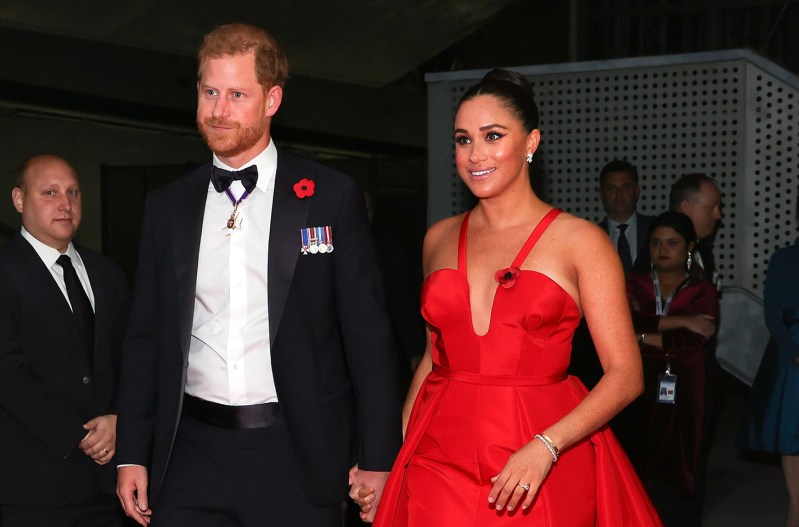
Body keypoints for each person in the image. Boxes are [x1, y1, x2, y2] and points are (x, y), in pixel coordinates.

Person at [115, 23, 402, 527]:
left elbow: (368, 336)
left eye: (237, 95)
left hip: (297, 453)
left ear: (272, 100)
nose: (218, 110)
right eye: (210, 92)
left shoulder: (330, 197)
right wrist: (131, 452)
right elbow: (145, 337)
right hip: (189, 456)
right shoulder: (167, 206)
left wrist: (379, 456)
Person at [359, 68, 661, 526]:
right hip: (438, 454)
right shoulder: (438, 238)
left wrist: (547, 446)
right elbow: (432, 360)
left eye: (493, 136)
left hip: (538, 459)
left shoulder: (580, 241)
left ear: (531, 142)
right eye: (463, 140)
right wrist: (391, 458)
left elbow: (626, 375)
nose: (475, 154)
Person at [0, 154, 130, 526]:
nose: (65, 204)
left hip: (110, 486)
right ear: (19, 200)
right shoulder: (5, 272)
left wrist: (119, 417)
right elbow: (7, 372)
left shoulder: (107, 274)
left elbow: (132, 357)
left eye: (72, 192)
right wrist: (78, 434)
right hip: (33, 487)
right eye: (50, 192)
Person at [622, 211, 719, 527]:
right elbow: (625, 321)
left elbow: (694, 341)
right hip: (637, 382)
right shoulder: (634, 284)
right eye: (655, 243)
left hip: (688, 387)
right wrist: (682, 320)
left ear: (689, 247)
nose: (662, 249)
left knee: (683, 463)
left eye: (672, 243)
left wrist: (640, 338)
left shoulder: (702, 290)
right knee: (637, 459)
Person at [738, 200, 799, 527]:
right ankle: (796, 510)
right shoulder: (783, 258)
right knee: (790, 436)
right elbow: (771, 311)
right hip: (792, 352)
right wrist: (791, 349)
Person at [598, 159, 653, 274]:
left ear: (636, 192)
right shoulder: (593, 235)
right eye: (611, 188)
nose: (619, 193)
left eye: (626, 187)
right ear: (602, 194)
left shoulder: (654, 229)